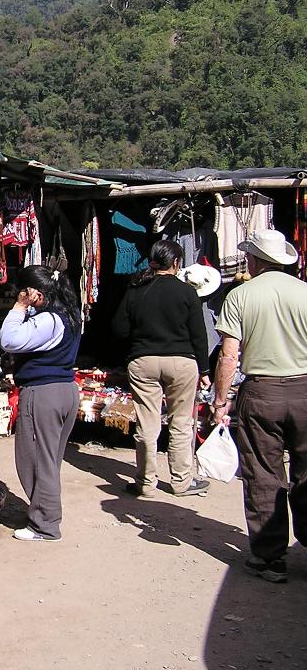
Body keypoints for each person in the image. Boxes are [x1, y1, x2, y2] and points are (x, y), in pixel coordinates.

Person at [211, 229, 307, 584]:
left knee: (264, 475)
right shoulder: (305, 292)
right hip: (305, 390)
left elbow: (229, 355)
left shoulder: (241, 296)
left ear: (255, 260)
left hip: (262, 393)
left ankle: (270, 558)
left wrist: (220, 401)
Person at [113, 240, 211, 498]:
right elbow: (199, 335)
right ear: (176, 263)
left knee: (147, 424)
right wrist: (204, 369)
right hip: (182, 362)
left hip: (143, 361)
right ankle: (181, 482)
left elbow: (119, 329)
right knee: (181, 423)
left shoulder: (136, 290)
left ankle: (145, 484)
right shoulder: (187, 292)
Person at [0, 265, 81, 541]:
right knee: (49, 459)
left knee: (36, 459)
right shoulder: (70, 315)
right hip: (64, 390)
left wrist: (19, 307)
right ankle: (43, 513)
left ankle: (45, 524)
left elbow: (9, 339)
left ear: (33, 292)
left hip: (44, 393)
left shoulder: (49, 320)